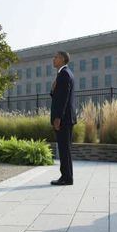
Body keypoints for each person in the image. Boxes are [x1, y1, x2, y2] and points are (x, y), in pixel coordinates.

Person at [50, 51, 76, 186]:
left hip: (63, 119)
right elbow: (58, 95)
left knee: (64, 149)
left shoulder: (64, 74)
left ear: (62, 59)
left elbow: (63, 99)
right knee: (65, 149)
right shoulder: (65, 73)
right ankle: (66, 176)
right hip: (66, 118)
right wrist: (52, 89)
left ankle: (66, 178)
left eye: (56, 57)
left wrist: (58, 118)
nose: (53, 59)